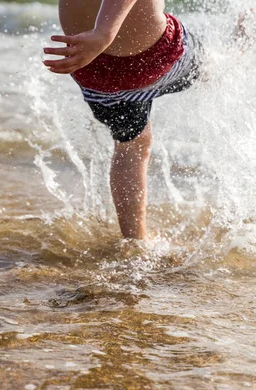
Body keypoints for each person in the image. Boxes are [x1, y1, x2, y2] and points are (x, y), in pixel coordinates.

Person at [43, 0, 203, 243]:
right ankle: (235, 54)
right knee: (207, 65)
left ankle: (136, 240)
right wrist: (103, 33)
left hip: (90, 67)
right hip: (153, 56)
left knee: (132, 145)